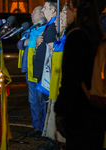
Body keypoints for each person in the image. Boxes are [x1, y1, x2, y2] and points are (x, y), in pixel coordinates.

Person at [54, 0, 106, 149]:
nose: (64, 13)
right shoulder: (98, 34)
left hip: (80, 113)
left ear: (76, 10)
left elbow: (71, 80)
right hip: (98, 107)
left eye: (67, 8)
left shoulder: (76, 36)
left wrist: (60, 110)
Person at [37, 4, 67, 150]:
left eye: (60, 19)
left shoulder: (70, 39)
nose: (56, 22)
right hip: (54, 84)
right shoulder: (61, 38)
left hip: (61, 86)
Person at [17, 6, 47, 139]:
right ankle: (37, 127)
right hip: (30, 71)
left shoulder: (46, 29)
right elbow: (19, 44)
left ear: (42, 14)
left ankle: (46, 129)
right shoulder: (31, 29)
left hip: (41, 72)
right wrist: (29, 42)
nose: (31, 13)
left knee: (43, 102)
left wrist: (28, 42)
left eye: (34, 11)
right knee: (33, 101)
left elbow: (44, 44)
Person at [33, 0, 61, 140]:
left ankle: (52, 139)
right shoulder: (49, 25)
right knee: (46, 107)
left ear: (53, 11)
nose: (42, 10)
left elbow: (52, 52)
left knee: (50, 108)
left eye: (45, 7)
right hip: (43, 75)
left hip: (48, 76)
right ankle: (48, 135)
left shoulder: (54, 26)